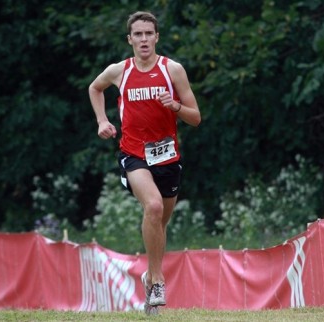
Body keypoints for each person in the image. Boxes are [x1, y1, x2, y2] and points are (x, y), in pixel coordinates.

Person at [88, 11, 201, 314]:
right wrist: (102, 121)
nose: (143, 39)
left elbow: (196, 117)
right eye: (137, 34)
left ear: (156, 37)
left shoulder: (172, 70)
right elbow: (94, 88)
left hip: (167, 157)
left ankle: (149, 277)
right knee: (151, 207)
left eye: (148, 34)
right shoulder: (119, 71)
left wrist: (175, 105)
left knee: (159, 223)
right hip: (133, 154)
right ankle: (159, 280)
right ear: (130, 40)